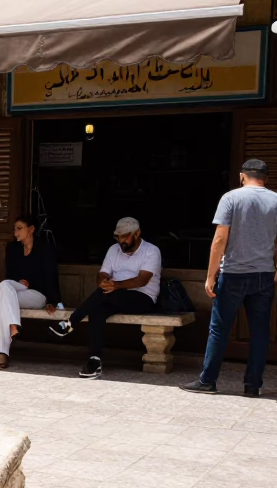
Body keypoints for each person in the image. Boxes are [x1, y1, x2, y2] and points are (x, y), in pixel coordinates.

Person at [181, 159, 277, 397]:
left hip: (233, 273)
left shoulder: (231, 198)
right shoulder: (276, 200)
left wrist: (210, 275)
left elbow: (219, 240)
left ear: (242, 175)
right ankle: (253, 385)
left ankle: (208, 381)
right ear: (265, 178)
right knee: (260, 331)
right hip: (264, 274)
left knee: (219, 328)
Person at [50, 216, 161, 379]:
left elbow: (142, 280)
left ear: (137, 234)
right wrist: (103, 282)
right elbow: (102, 273)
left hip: (143, 298)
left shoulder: (151, 251)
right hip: (112, 296)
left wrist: (114, 286)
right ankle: (94, 360)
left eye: (125, 236)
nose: (120, 240)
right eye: (118, 236)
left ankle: (70, 322)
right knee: (97, 311)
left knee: (105, 295)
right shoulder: (113, 249)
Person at [0, 214, 60, 369]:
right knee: (5, 286)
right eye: (15, 229)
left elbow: (50, 275)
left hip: (37, 295)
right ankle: (7, 342)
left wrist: (53, 301)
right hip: (17, 290)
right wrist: (19, 281)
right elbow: (10, 275)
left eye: (19, 228)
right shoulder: (12, 248)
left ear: (31, 229)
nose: (16, 233)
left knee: (3, 297)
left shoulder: (44, 248)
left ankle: (4, 348)